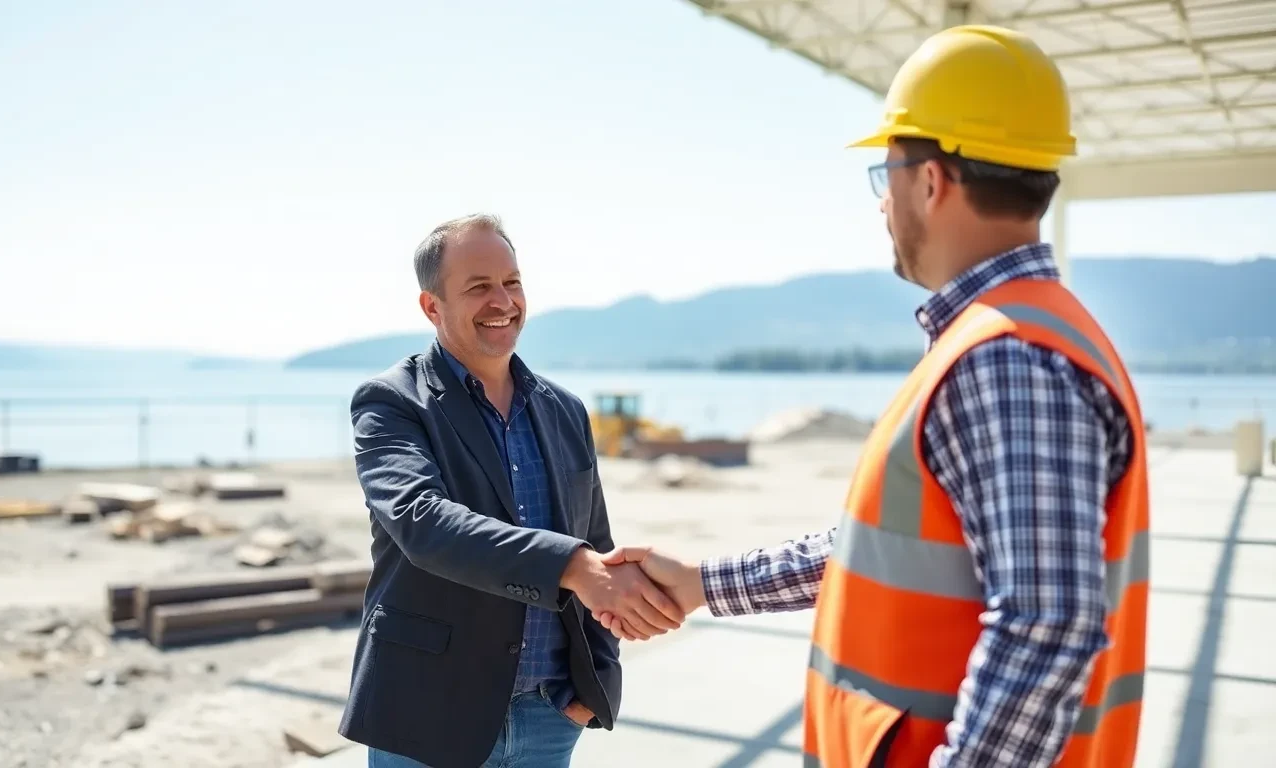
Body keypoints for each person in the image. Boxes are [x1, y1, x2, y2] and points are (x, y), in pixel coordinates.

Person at [597, 25, 1150, 768]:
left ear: (931, 179)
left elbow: (1045, 626)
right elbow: (888, 553)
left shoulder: (1006, 358)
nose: (881, 204)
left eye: (883, 175)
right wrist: (703, 585)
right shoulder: (1016, 335)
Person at [339, 213, 685, 768]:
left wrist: (595, 686)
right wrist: (570, 565)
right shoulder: (391, 403)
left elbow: (597, 540)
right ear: (433, 307)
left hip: (549, 717)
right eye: (478, 287)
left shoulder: (565, 410)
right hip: (428, 715)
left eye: (512, 282)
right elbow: (423, 522)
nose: (502, 300)